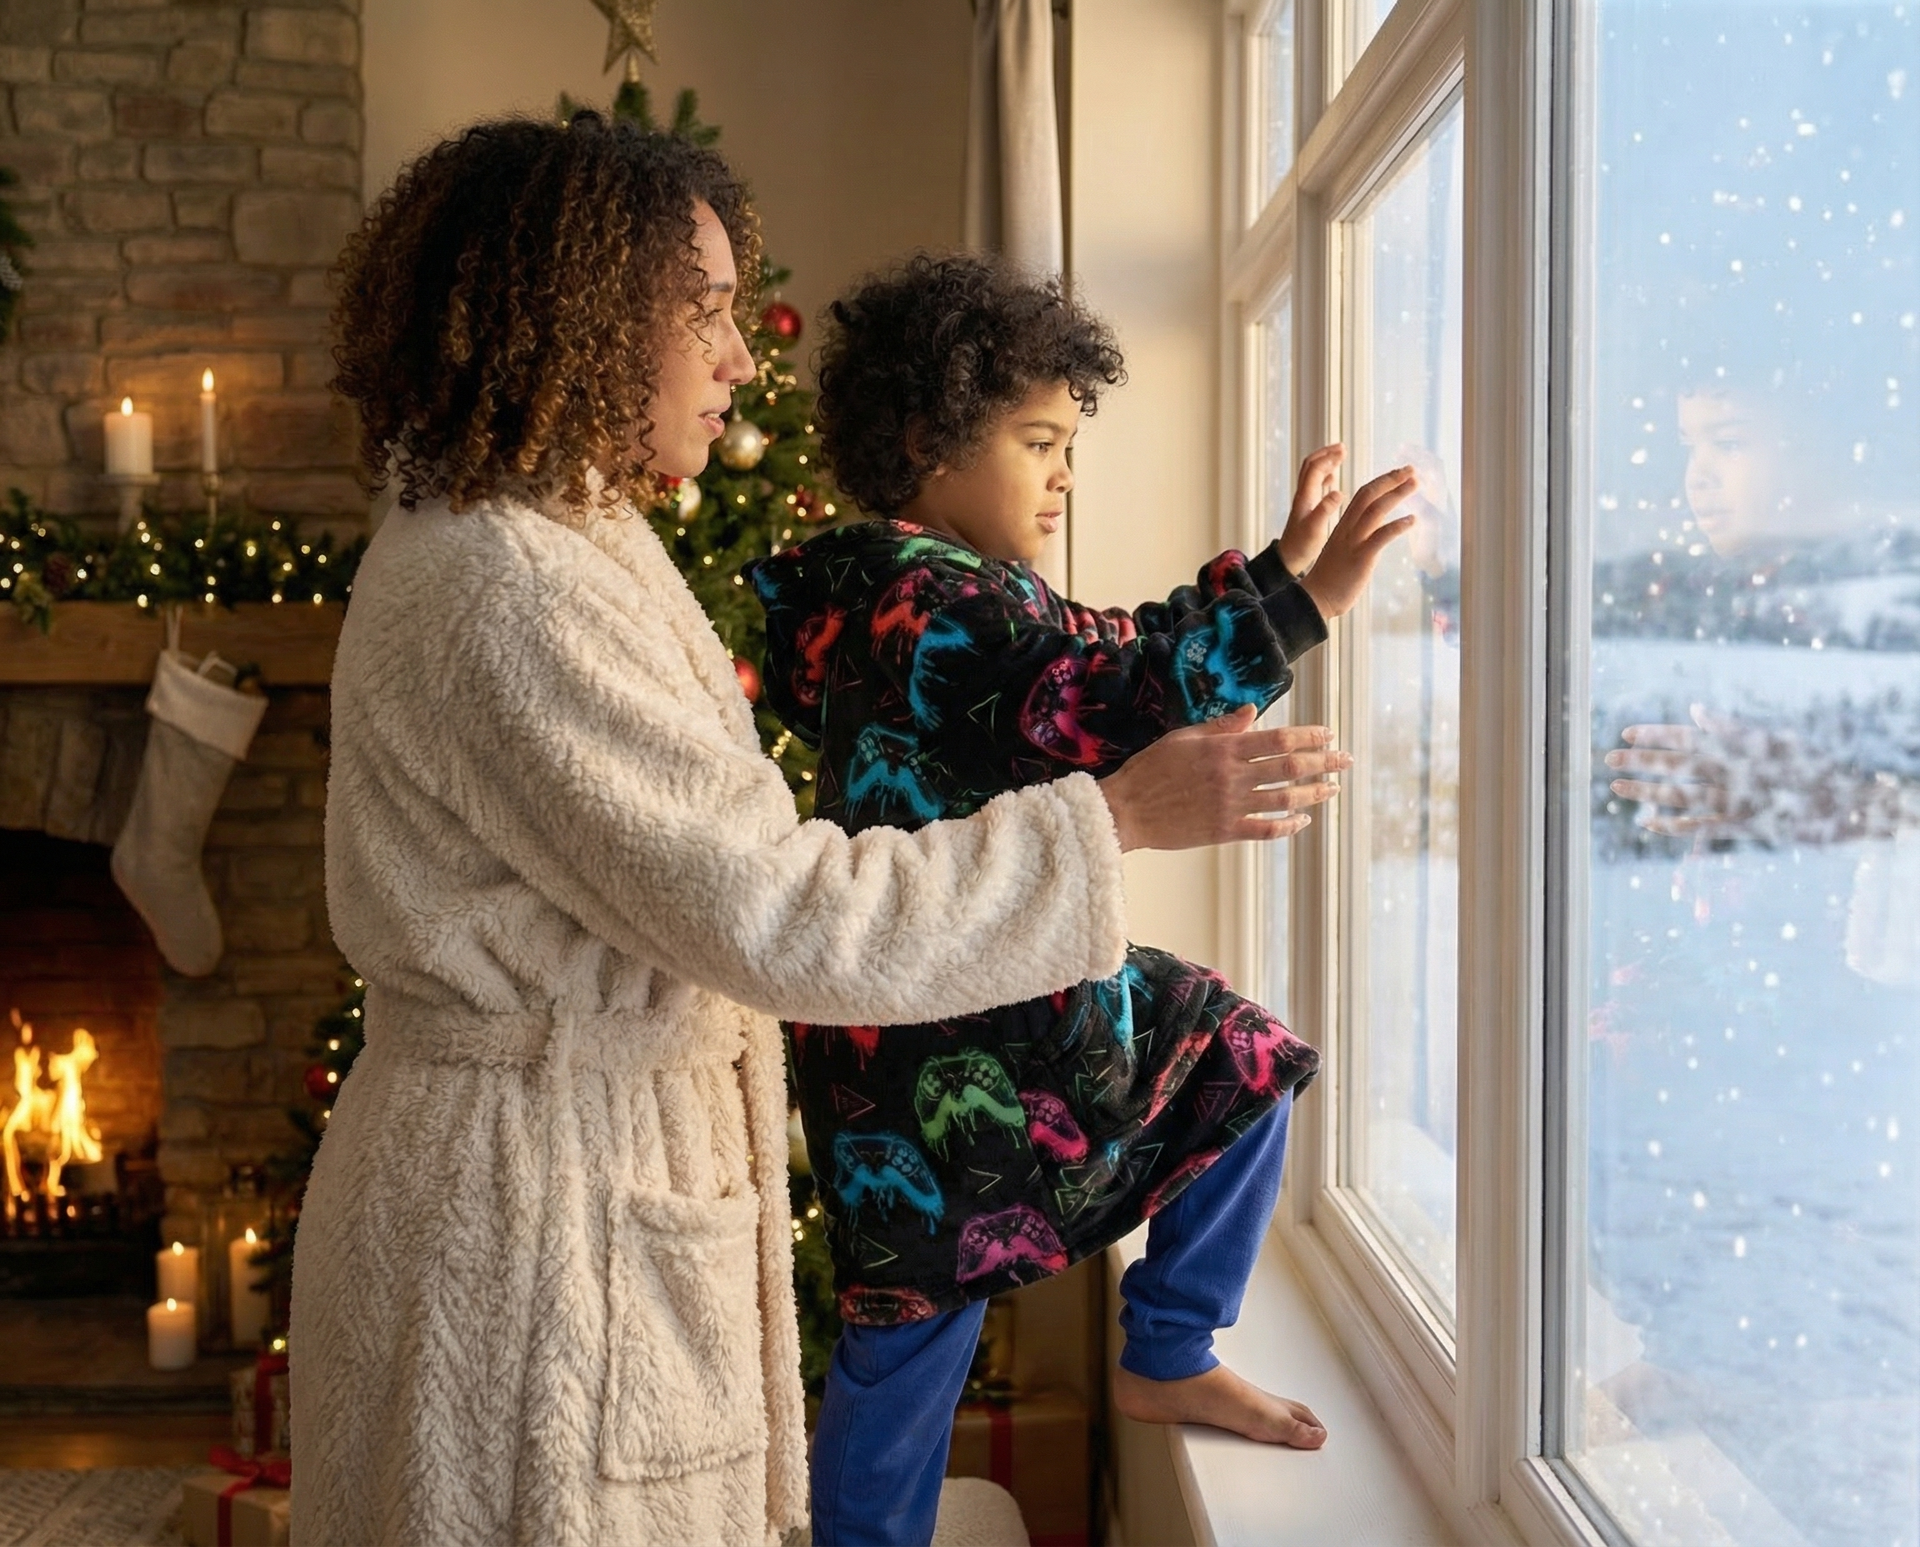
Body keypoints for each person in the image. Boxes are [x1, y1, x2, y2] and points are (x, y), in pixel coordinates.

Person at [292, 115, 1344, 1547]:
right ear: (583, 320)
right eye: (708, 313)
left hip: (568, 1169)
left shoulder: (552, 539)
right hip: (534, 1230)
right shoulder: (513, 589)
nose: (738, 359)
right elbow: (776, 909)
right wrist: (1108, 823)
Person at [748, 254, 1418, 1546]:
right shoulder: (942, 599)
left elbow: (1100, 649)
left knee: (899, 1337)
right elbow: (1110, 693)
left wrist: (1272, 577)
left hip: (875, 1040)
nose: (1063, 472)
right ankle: (1167, 1345)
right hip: (992, 1024)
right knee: (1244, 1055)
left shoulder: (860, 596)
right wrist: (1304, 607)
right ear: (922, 443)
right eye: (1037, 440)